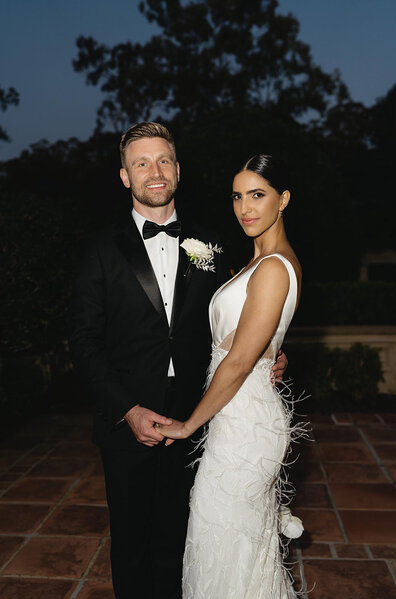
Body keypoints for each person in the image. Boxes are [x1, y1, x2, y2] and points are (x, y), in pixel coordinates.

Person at [69, 124, 288, 599]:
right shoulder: (100, 249)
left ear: (178, 170)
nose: (154, 171)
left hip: (199, 415)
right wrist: (127, 409)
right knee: (130, 545)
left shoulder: (205, 246)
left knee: (182, 542)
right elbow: (84, 343)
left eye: (164, 160)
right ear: (125, 176)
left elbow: (236, 313)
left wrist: (268, 349)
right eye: (141, 163)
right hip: (126, 420)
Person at [159, 154, 304, 598]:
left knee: (225, 540)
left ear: (283, 200)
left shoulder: (275, 266)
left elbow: (240, 361)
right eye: (238, 196)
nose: (246, 207)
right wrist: (276, 353)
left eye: (258, 195)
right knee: (230, 545)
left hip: (246, 423)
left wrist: (187, 425)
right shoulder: (254, 263)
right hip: (236, 415)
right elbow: (255, 338)